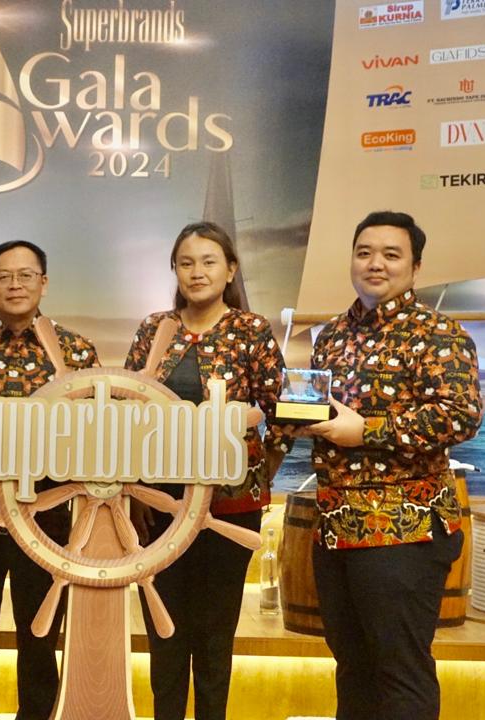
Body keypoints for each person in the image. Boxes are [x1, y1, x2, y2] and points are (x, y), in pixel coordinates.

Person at [303, 210, 482, 720]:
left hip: (406, 533)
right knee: (352, 668)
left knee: (400, 671)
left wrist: (368, 430)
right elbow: (325, 415)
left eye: (390, 254)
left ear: (415, 266)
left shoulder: (439, 333)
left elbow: (460, 415)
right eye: (364, 253)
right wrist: (299, 421)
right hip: (336, 527)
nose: (375, 264)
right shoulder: (331, 336)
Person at [124, 221, 288, 720]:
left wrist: (262, 469)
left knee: (216, 633)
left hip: (230, 508)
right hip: (158, 505)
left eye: (209, 262)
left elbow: (282, 411)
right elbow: (127, 409)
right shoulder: (155, 327)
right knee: (165, 628)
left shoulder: (251, 329)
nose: (197, 272)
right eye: (186, 262)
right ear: (175, 270)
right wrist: (132, 490)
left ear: (230, 270)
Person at [0, 240, 99, 720]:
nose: (15, 285)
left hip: (47, 520)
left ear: (43, 283)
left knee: (40, 635)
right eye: (3, 276)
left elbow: (96, 435)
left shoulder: (75, 352)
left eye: (26, 275)